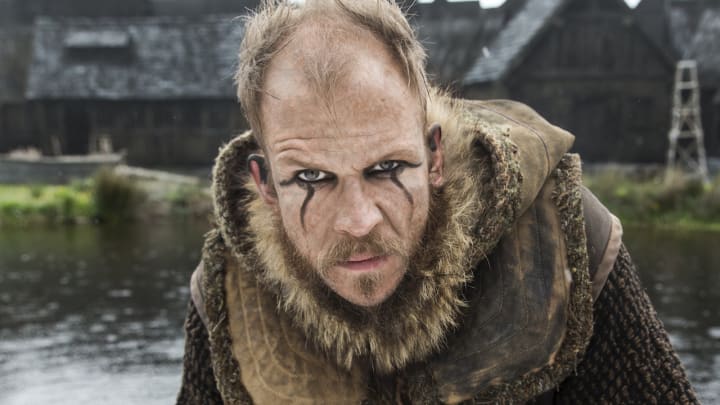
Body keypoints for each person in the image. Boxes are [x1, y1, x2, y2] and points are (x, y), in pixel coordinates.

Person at [176, 1, 698, 403]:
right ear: (266, 186)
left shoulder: (567, 240)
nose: (359, 221)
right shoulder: (225, 294)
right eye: (312, 177)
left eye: (387, 168)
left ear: (434, 156)